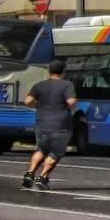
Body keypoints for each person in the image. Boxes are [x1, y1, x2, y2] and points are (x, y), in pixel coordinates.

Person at [23, 58, 78, 191]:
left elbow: (27, 101)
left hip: (42, 123)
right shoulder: (67, 85)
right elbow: (71, 102)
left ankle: (30, 173)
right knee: (55, 152)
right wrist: (72, 106)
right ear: (63, 72)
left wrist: (39, 106)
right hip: (60, 125)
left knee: (41, 149)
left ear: (49, 71)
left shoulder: (39, 85)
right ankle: (41, 177)